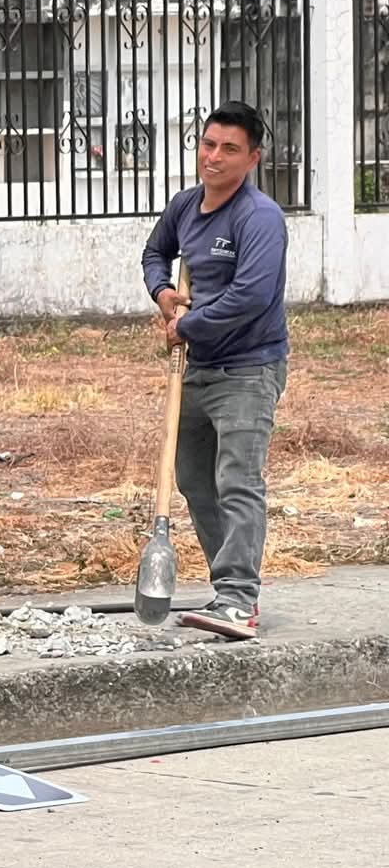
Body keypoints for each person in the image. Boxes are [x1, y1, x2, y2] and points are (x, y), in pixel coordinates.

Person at [141, 100, 290, 641]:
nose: (214, 157)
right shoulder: (185, 206)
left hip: (248, 369)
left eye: (229, 149)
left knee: (237, 481)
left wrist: (189, 325)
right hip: (196, 369)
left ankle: (238, 600)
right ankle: (226, 589)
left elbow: (251, 296)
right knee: (194, 479)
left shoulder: (259, 218)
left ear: (252, 158)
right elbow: (155, 253)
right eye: (208, 144)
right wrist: (163, 293)